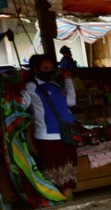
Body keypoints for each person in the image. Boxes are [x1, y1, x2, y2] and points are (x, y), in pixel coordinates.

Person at [22, 54, 78, 199]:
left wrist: (68, 80)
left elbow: (70, 102)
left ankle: (67, 199)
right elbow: (22, 105)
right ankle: (60, 201)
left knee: (69, 170)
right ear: (35, 69)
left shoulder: (55, 85)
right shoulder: (30, 87)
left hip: (66, 134)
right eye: (45, 68)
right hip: (47, 136)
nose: (49, 71)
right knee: (55, 172)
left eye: (51, 68)